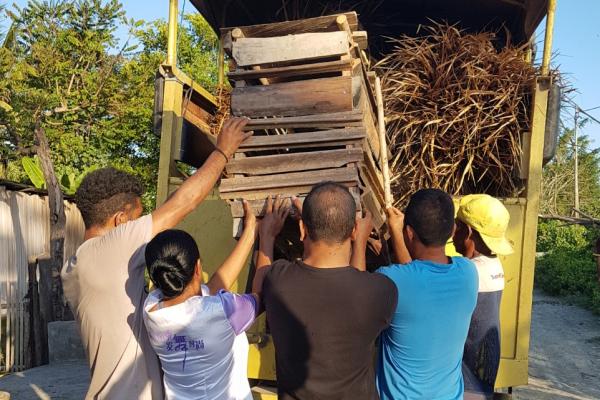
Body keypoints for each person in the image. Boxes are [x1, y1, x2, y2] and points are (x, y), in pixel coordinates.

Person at [61, 117, 251, 399]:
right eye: (137, 219)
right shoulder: (110, 249)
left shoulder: (75, 267)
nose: (143, 228)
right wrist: (222, 152)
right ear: (120, 220)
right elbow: (182, 205)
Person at [258, 181, 398, 400]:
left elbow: (260, 284)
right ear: (353, 230)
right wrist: (359, 243)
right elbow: (356, 290)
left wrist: (266, 238)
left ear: (303, 229)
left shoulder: (277, 281)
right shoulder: (382, 291)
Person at [142, 198, 289, 400]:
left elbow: (211, 290)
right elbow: (262, 296)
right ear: (197, 268)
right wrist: (266, 238)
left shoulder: (151, 310)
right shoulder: (223, 311)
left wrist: (248, 235)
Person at [377, 188, 478, 400]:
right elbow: (416, 279)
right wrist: (399, 232)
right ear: (452, 230)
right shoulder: (469, 273)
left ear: (410, 233)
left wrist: (359, 240)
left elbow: (411, 277)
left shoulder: (390, 280)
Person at [453, 194, 513, 399]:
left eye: (456, 226)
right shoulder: (494, 265)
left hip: (467, 379)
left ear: (467, 231)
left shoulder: (470, 271)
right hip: (484, 371)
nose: (452, 232)